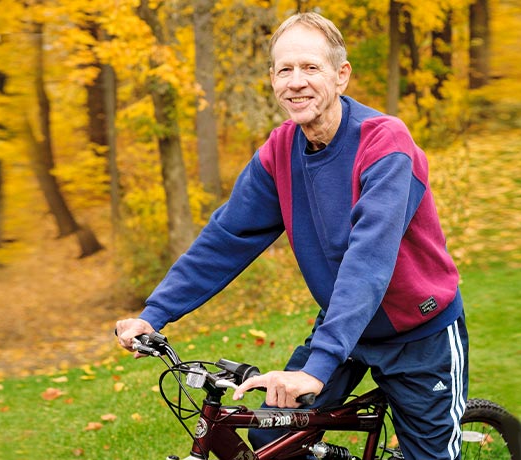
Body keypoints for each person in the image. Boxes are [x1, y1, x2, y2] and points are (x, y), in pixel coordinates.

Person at [117, 11, 468, 460]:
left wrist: (316, 369)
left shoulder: (385, 144)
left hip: (419, 331)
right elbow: (227, 237)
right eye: (285, 69)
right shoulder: (279, 152)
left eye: (310, 67)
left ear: (341, 76)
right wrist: (156, 312)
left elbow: (369, 260)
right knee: (273, 438)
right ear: (272, 79)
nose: (296, 81)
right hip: (344, 327)